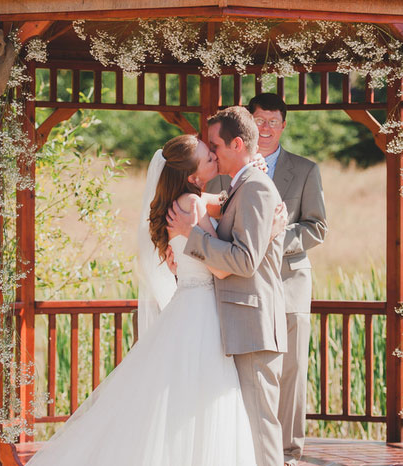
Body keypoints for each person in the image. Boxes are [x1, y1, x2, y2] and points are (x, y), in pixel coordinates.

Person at [25, 134, 285, 466]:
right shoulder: (191, 205)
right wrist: (271, 230)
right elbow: (221, 268)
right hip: (202, 310)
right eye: (208, 159)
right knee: (202, 396)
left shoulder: (184, 200)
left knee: (176, 396)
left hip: (186, 305)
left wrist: (252, 169)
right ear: (192, 176)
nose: (214, 161)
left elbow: (231, 199)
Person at [205, 93, 328, 466]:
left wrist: (272, 239)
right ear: (249, 125)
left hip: (289, 282)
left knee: (289, 373)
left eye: (274, 121)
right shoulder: (224, 170)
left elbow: (317, 226)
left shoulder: (305, 169)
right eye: (260, 120)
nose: (268, 127)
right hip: (242, 287)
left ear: (284, 125)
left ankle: (289, 453)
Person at [168, 106, 288, 466]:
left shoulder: (255, 189)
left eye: (216, 145)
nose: (213, 152)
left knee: (259, 426)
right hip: (238, 325)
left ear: (237, 144)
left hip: (253, 327)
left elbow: (244, 261)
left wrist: (191, 237)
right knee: (243, 427)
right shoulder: (240, 188)